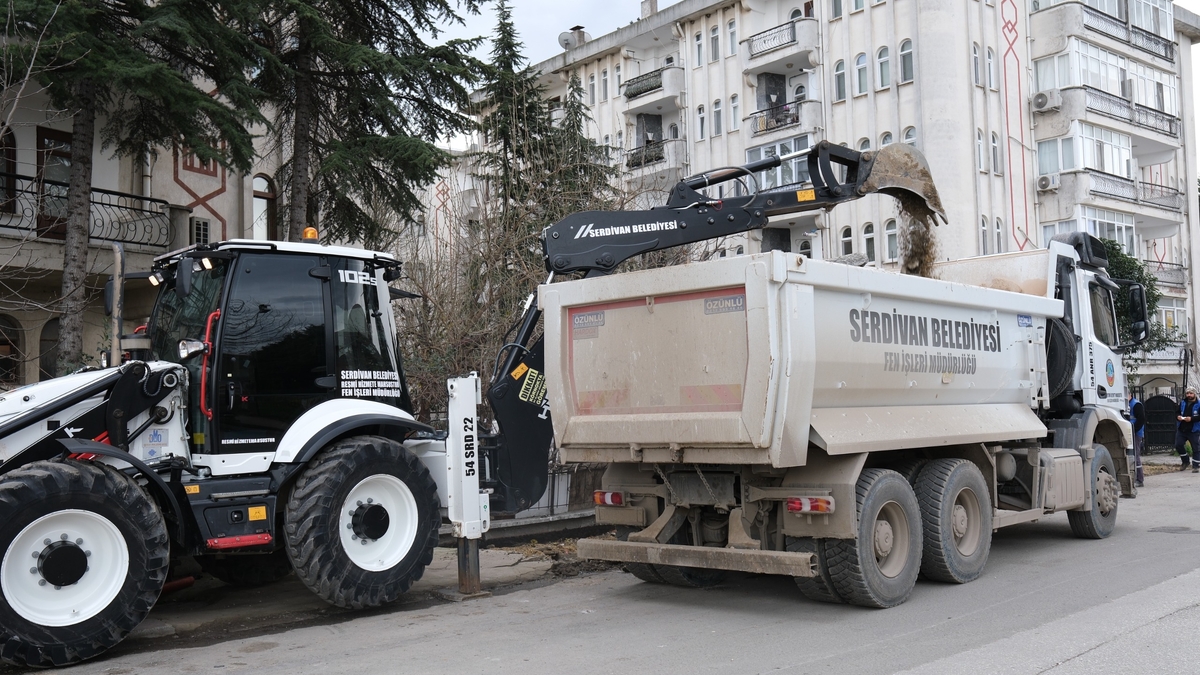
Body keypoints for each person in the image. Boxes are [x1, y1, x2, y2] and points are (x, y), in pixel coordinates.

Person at [1176, 387, 1200, 472]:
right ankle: (1185, 461)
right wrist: (1178, 416)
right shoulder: (1183, 402)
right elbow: (1177, 411)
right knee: (1178, 445)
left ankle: (1196, 466)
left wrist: (1192, 419)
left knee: (1195, 448)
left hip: (1193, 429)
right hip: (1182, 428)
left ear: (1194, 394)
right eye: (1187, 393)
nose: (1189, 395)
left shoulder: (1199, 403)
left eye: (1191, 393)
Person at [1129, 392, 1145, 487]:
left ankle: (1139, 479)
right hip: (1128, 431)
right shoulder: (1126, 403)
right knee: (1132, 455)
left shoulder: (1136, 404)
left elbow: (1141, 419)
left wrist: (1134, 430)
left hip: (1135, 433)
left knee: (1135, 455)